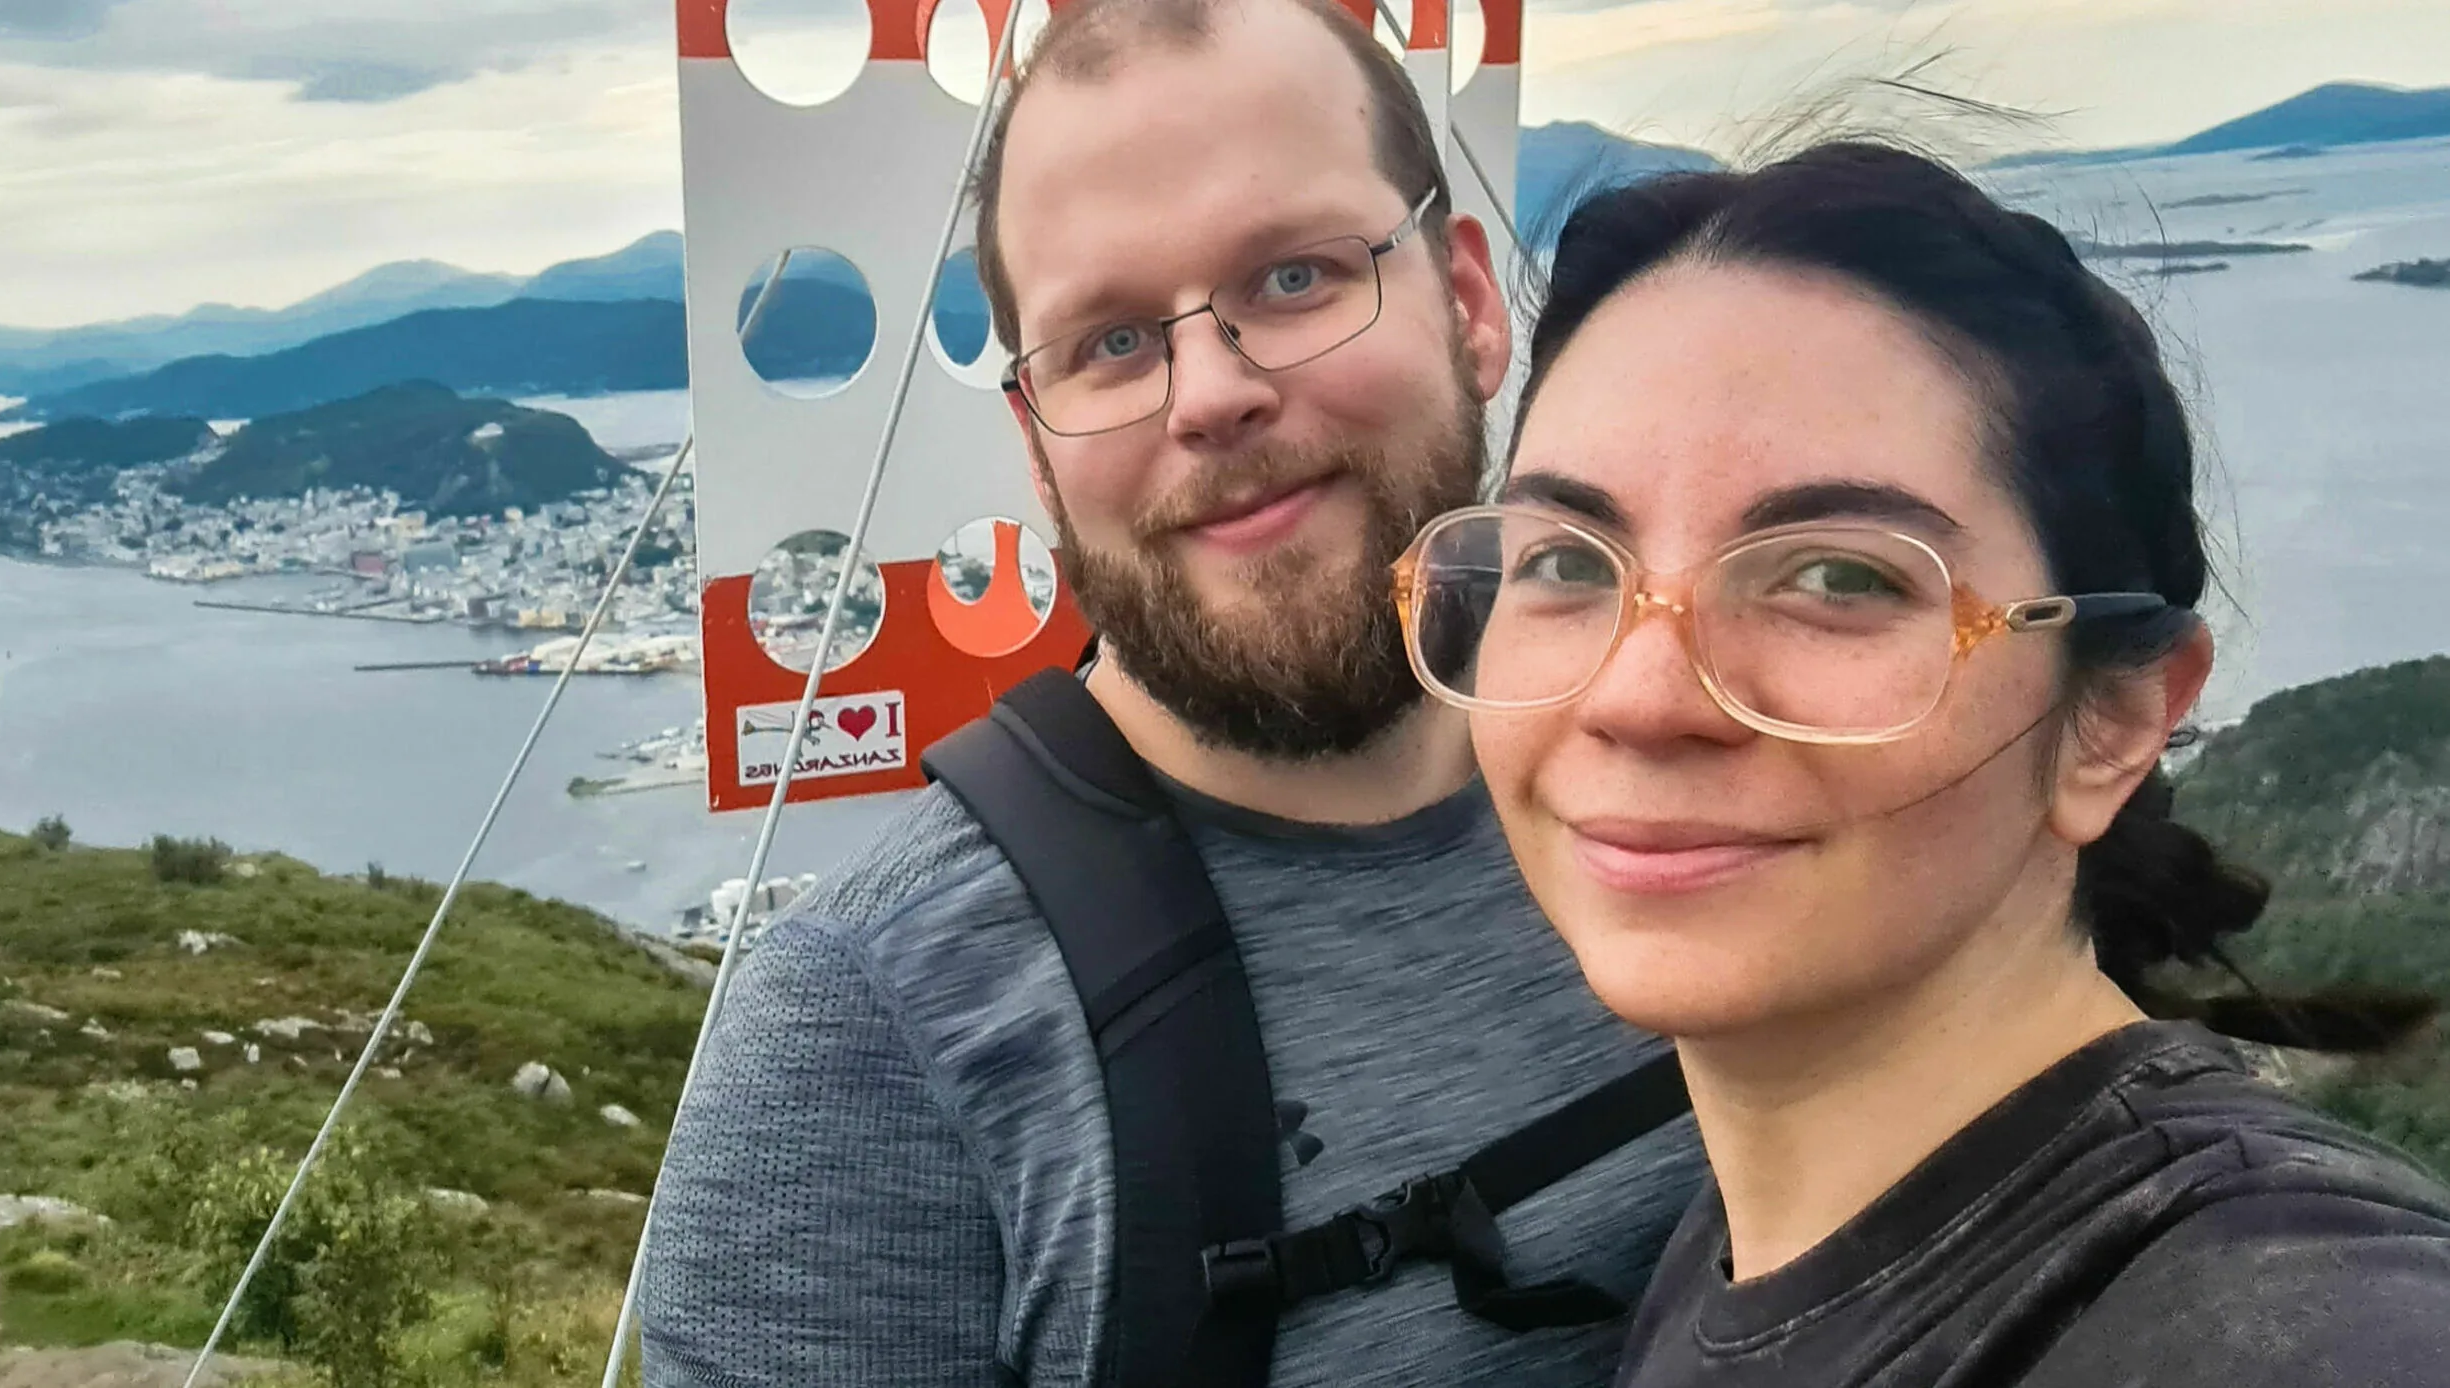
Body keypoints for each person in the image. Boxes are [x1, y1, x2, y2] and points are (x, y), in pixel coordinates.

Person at [629, 0, 1706, 1383]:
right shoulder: (871, 1057)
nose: (1210, 394)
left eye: (1298, 278)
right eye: (1113, 344)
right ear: (1034, 449)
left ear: (1473, 307)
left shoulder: (1721, 731)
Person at [1391, 138, 2450, 1387]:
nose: (1637, 695)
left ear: (2110, 719)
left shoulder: (2280, 1317)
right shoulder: (1753, 1227)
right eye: (1565, 562)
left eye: (1839, 577)